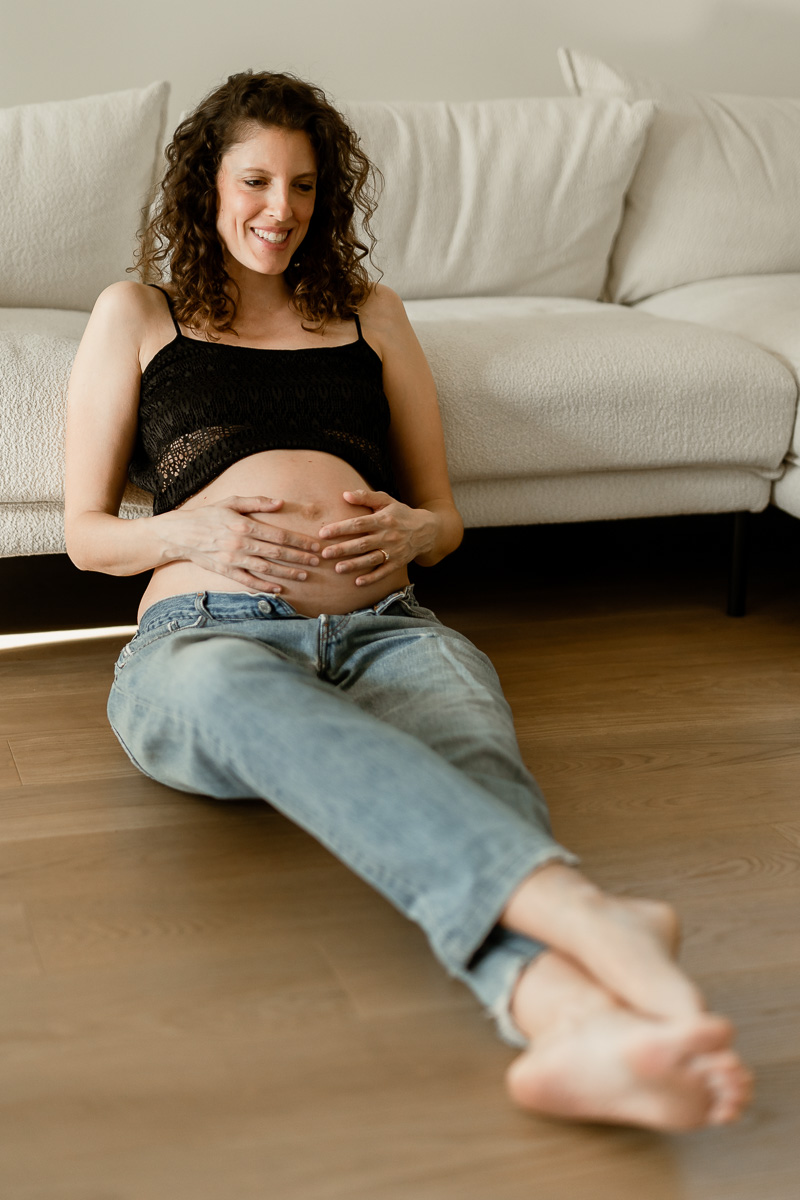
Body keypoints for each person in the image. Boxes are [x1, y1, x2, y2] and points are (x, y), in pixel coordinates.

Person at [64, 70, 752, 1131]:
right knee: (231, 694)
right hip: (203, 638)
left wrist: (413, 533)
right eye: (255, 181)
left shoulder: (371, 314)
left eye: (304, 185)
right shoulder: (139, 313)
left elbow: (444, 515)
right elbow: (84, 536)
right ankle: (585, 912)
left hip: (385, 630)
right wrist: (188, 531)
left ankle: (569, 1019)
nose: (280, 209)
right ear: (205, 185)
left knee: (473, 757)